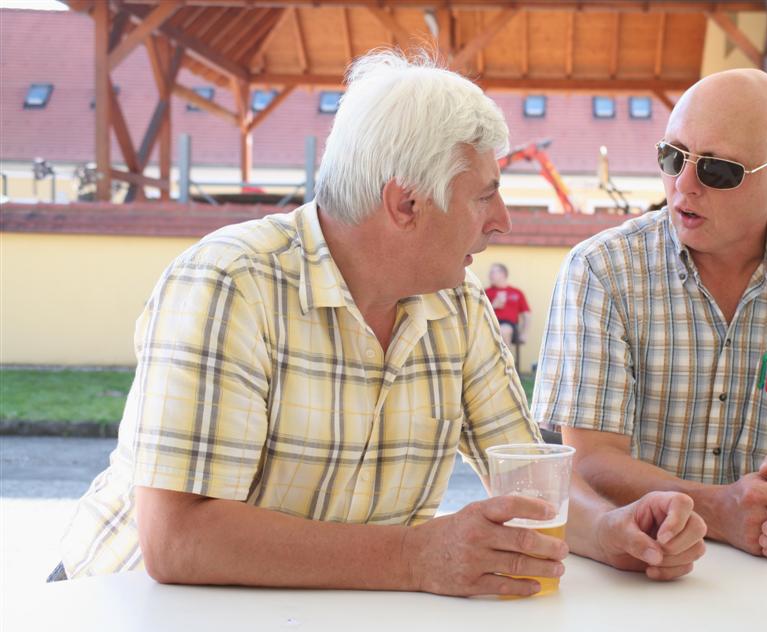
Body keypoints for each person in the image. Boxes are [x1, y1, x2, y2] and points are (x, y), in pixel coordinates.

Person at [54, 52, 706, 595]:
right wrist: (412, 557)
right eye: (484, 194)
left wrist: (615, 529)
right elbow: (177, 540)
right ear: (406, 203)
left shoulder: (458, 305)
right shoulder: (230, 282)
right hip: (121, 627)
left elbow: (528, 480)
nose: (502, 220)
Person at [533, 68, 767, 562]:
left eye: (718, 170)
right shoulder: (602, 269)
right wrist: (719, 510)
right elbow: (589, 461)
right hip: (635, 565)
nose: (684, 184)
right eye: (671, 156)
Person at [486, 263, 531, 348]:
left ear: (502, 274)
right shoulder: (486, 292)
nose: (489, 275)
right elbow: (480, 313)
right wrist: (493, 306)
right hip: (490, 325)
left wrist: (524, 333)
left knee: (504, 330)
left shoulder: (517, 292)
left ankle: (504, 360)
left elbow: (527, 315)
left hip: (510, 326)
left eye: (492, 273)